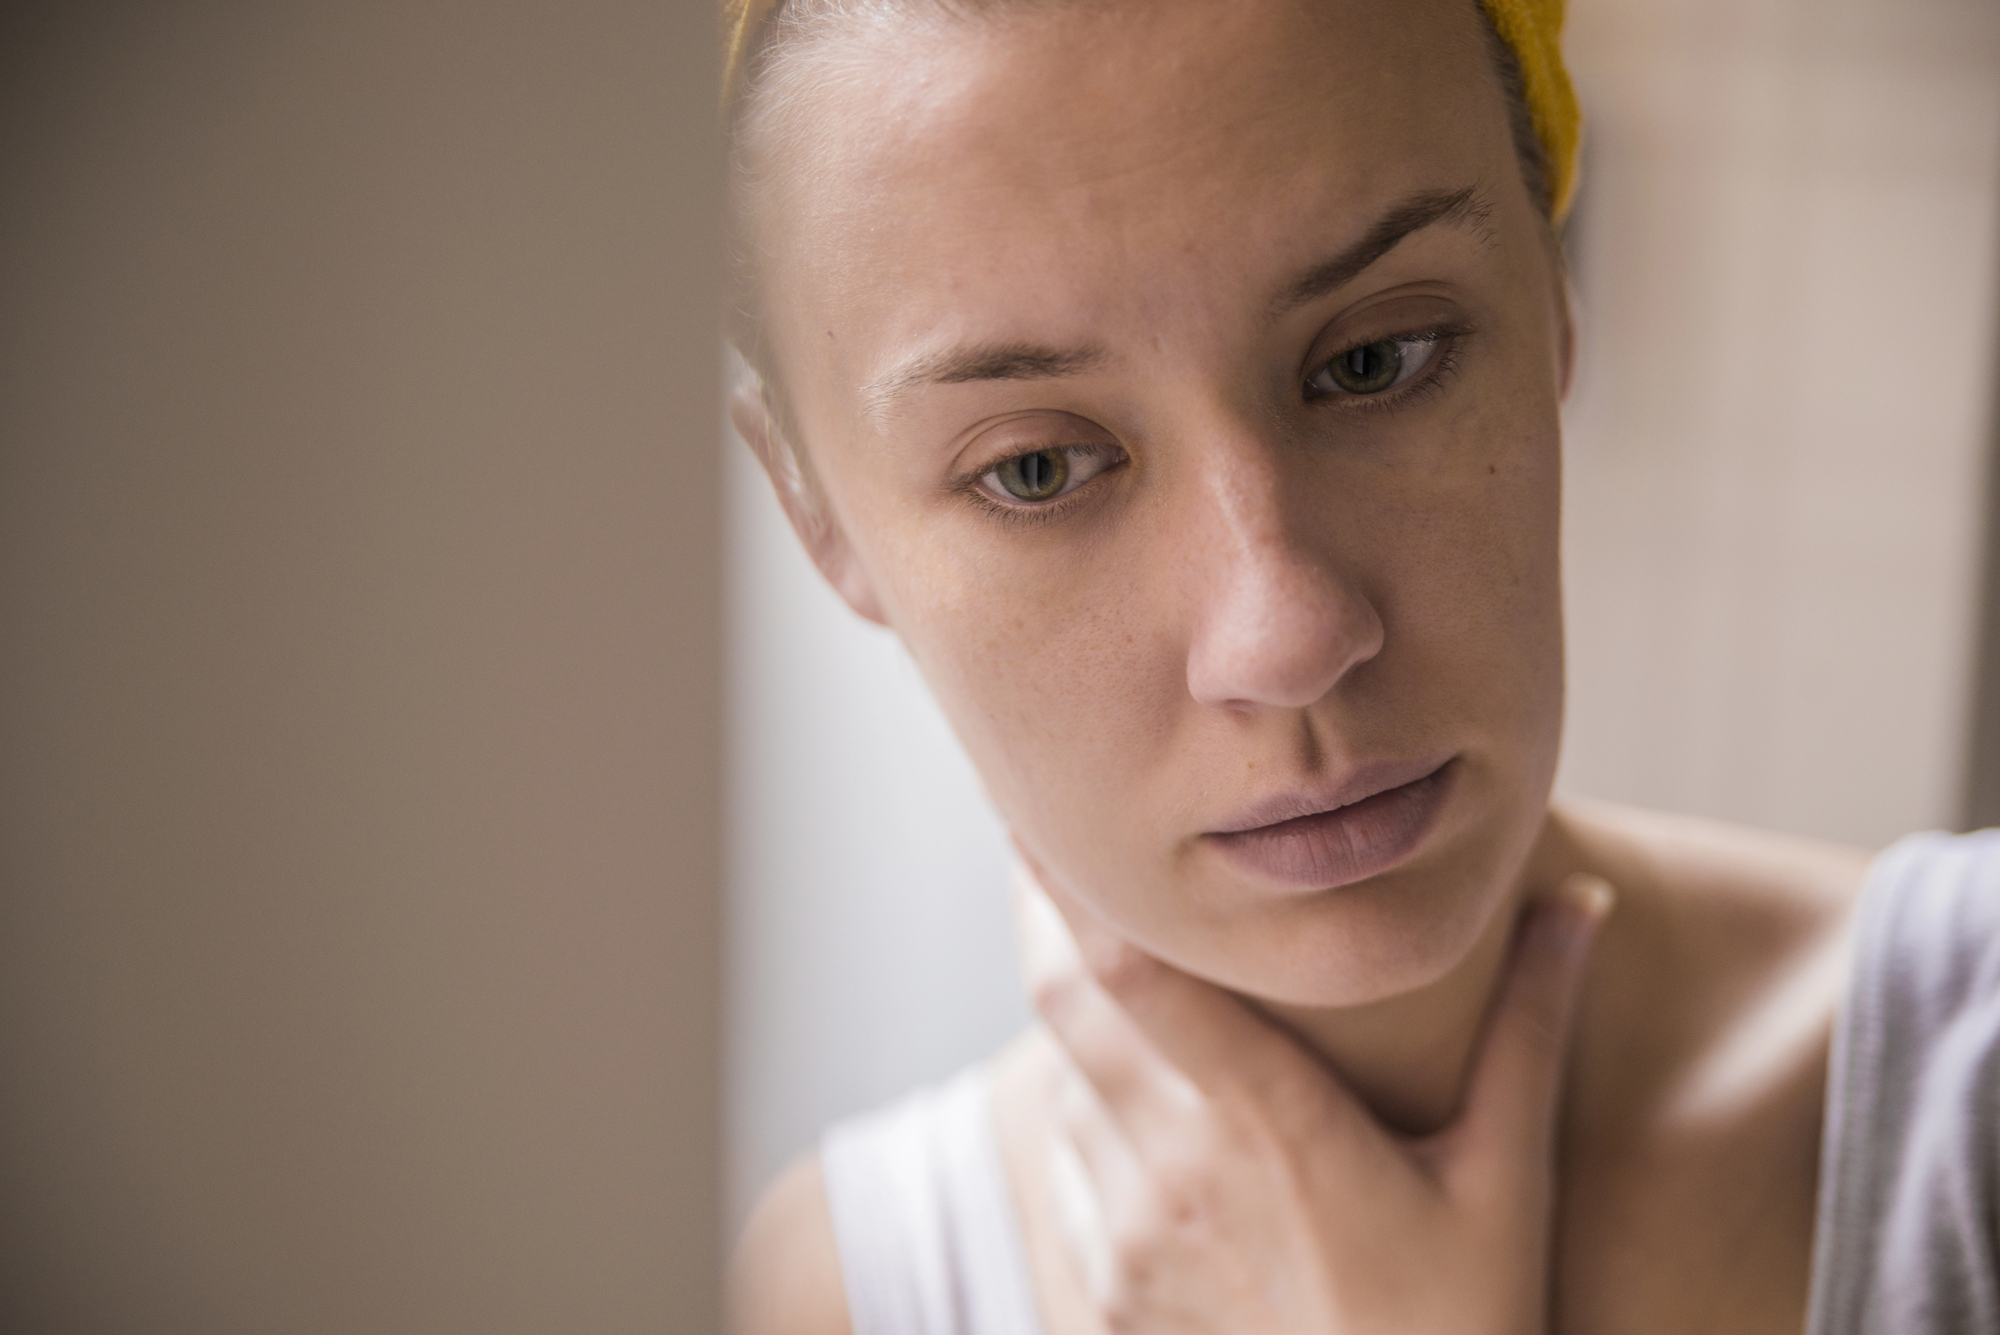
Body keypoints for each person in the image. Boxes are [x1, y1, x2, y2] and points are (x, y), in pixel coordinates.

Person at [719, 1, 2000, 1331]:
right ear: (819, 522)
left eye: (1377, 360)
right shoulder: (842, 1296)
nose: (1286, 633)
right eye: (1036, 468)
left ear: (1552, 300)